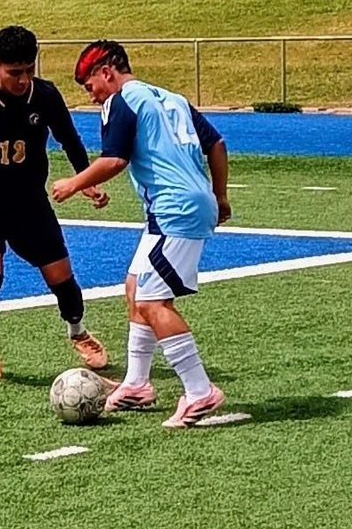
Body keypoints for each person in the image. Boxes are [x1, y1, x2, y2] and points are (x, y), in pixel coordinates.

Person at [52, 40, 231, 429]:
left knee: (153, 303)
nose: (92, 95)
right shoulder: (171, 97)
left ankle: (200, 391)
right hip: (181, 208)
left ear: (107, 72)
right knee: (135, 286)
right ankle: (136, 384)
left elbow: (115, 160)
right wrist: (219, 195)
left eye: (90, 86)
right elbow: (216, 143)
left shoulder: (120, 101)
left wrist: (74, 183)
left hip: (175, 210)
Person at [0, 25, 109, 381]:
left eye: (30, 69)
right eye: (15, 72)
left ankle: (78, 332)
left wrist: (85, 180)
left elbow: (69, 139)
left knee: (63, 281)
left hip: (31, 206)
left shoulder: (45, 96)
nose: (23, 79)